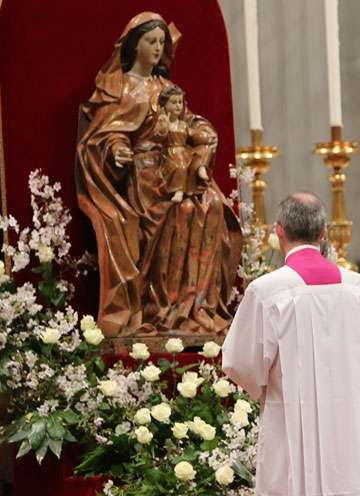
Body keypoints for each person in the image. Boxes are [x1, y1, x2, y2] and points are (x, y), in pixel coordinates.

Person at [76, 12, 240, 337]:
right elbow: (106, 133)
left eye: (161, 42)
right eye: (151, 41)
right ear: (134, 45)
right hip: (144, 174)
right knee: (177, 212)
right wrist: (117, 149)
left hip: (173, 167)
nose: (157, 47)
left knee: (210, 206)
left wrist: (202, 131)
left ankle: (193, 309)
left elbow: (187, 119)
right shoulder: (118, 87)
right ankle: (159, 308)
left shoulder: (165, 87)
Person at [222, 192, 360, 496]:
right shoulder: (358, 288)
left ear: (278, 230)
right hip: (349, 430)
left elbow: (240, 364)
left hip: (291, 426)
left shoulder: (266, 291)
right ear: (323, 233)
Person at [155, 85, 211, 204]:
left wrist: (203, 136)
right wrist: (163, 126)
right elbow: (158, 137)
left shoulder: (183, 124)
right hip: (171, 153)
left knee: (204, 149)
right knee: (180, 165)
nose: (178, 106)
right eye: (174, 102)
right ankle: (178, 190)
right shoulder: (163, 122)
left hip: (184, 152)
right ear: (164, 105)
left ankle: (200, 168)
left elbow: (191, 135)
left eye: (180, 102)